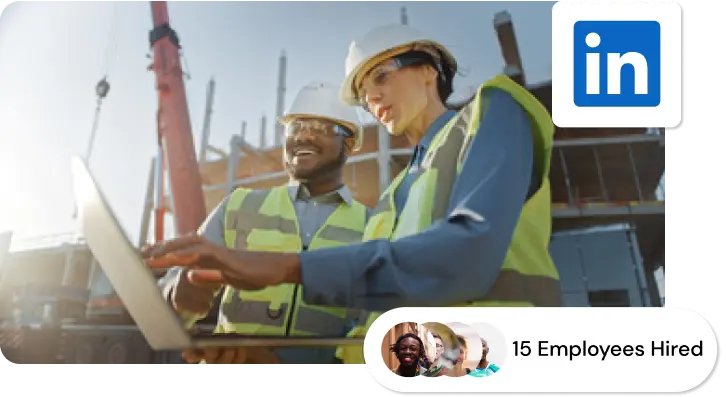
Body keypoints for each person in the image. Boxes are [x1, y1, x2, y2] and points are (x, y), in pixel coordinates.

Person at [144, 23, 563, 366]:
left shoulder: (491, 113)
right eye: (364, 92)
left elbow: (469, 254)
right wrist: (269, 362)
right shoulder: (392, 198)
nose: (372, 96)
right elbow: (372, 328)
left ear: (428, 69)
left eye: (382, 75)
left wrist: (288, 267)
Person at [153, 81, 370, 367]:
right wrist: (183, 293)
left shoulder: (373, 225)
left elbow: (372, 335)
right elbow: (170, 302)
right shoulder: (239, 205)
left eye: (319, 128)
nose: (303, 136)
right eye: (295, 127)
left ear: (349, 144)